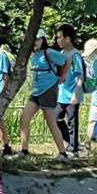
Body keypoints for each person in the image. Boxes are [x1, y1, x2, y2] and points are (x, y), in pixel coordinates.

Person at [19, 29, 68, 158]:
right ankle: (24, 151)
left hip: (48, 90)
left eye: (38, 39)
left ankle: (62, 153)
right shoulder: (33, 54)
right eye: (33, 40)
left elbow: (67, 60)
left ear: (43, 40)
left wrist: (62, 76)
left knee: (51, 123)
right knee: (24, 119)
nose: (35, 42)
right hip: (35, 91)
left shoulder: (49, 52)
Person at [55, 24, 84, 157]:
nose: (57, 40)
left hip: (72, 95)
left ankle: (73, 148)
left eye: (60, 37)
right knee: (56, 118)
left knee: (72, 122)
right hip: (60, 95)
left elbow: (80, 76)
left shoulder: (75, 55)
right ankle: (72, 142)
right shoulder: (60, 54)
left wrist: (75, 94)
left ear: (68, 39)